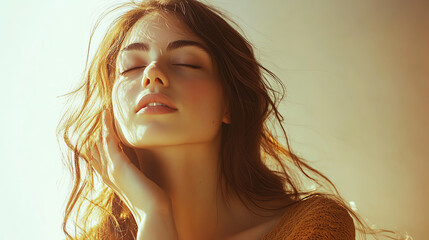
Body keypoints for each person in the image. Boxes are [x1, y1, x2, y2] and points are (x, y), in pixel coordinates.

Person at [57, 0, 410, 239]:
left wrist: (156, 219)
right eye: (131, 67)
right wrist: (153, 214)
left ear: (231, 104)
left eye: (187, 63)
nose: (152, 74)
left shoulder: (310, 227)